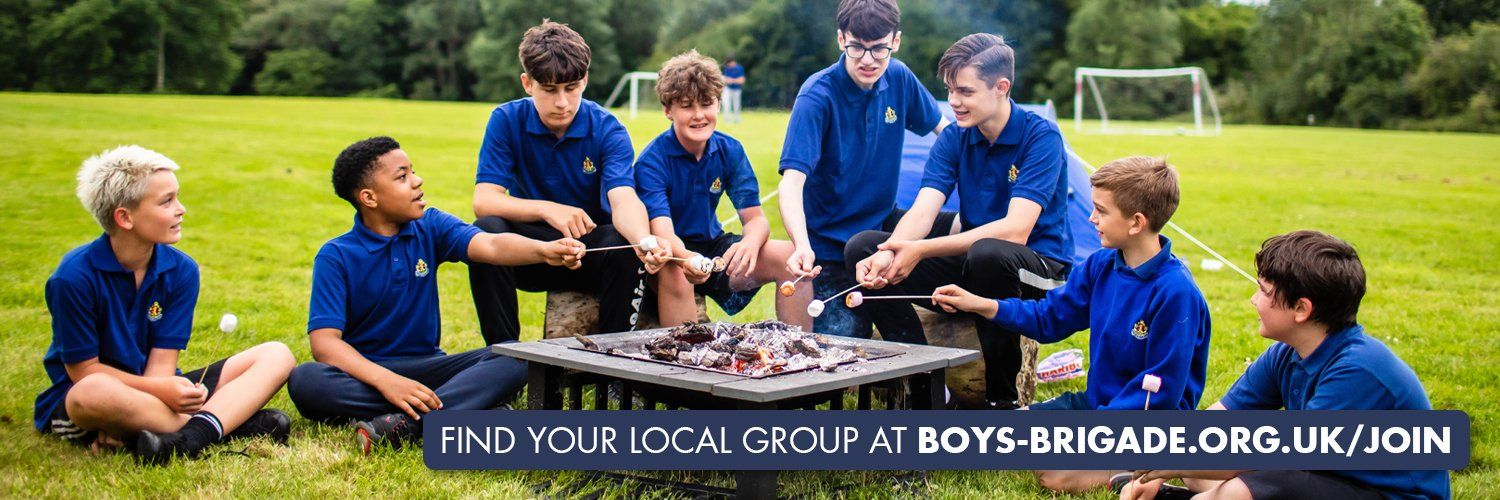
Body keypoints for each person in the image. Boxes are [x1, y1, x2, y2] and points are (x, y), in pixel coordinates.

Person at [287, 137, 584, 453]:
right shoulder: (335, 256)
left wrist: (543, 250)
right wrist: (387, 382)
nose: (417, 181)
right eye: (402, 177)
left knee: (518, 355)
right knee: (306, 380)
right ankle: (461, 408)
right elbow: (325, 344)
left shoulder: (431, 226)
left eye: (412, 172)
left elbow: (491, 245)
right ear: (369, 198)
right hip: (368, 374)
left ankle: (411, 424)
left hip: (431, 368)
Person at [933, 156, 1211, 492]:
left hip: (1149, 424)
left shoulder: (1175, 292)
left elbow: (1162, 394)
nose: (1092, 218)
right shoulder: (1100, 265)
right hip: (1095, 405)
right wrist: (983, 305)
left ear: (1136, 222)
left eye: (1101, 211)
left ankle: (1151, 472)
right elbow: (1049, 318)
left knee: (1054, 474)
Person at [1118, 231, 1449, 500]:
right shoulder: (1288, 352)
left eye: (1263, 290)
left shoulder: (1357, 370)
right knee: (1200, 467)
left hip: (1386, 494)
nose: (1253, 299)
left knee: (1250, 484)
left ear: (1301, 309)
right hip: (1330, 479)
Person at [846, 33, 1073, 409]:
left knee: (989, 255)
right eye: (950, 90)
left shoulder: (1040, 136)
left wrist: (919, 250)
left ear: (1001, 87)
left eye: (965, 92)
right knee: (863, 247)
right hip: (975, 261)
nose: (953, 102)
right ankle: (924, 386)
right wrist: (891, 252)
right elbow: (924, 208)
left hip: (1037, 271)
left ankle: (1002, 402)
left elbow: (1016, 230)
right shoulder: (954, 136)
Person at [37, 145, 295, 465]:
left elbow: (162, 361)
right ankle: (221, 424)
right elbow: (83, 372)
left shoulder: (181, 269)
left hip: (159, 394)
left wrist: (167, 391)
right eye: (167, 201)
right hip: (94, 395)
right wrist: (162, 392)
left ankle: (179, 437)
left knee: (277, 354)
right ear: (124, 217)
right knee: (91, 392)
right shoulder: (73, 277)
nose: (181, 209)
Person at [468, 20, 670, 345]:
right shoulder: (505, 120)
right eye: (549, 90)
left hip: (587, 248)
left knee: (625, 245)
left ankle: (611, 361)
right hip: (531, 251)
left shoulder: (608, 128)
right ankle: (503, 359)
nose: (562, 102)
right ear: (527, 83)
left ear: (585, 80)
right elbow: (485, 199)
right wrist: (549, 210)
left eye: (571, 88)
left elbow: (623, 197)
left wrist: (643, 240)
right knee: (485, 230)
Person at [778, 0, 949, 337]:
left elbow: (947, 133)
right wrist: (801, 244)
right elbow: (791, 183)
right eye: (858, 48)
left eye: (879, 49)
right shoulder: (817, 96)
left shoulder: (899, 77)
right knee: (846, 346)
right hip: (831, 249)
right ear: (841, 39)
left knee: (964, 228)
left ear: (895, 42)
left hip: (884, 226)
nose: (869, 60)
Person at [637, 50, 813, 329]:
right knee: (675, 269)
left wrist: (749, 243)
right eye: (686, 106)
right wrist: (687, 259)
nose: (699, 116)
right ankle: (685, 360)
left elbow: (755, 219)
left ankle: (801, 350)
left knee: (788, 256)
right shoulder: (651, 162)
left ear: (718, 104)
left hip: (713, 247)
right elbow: (663, 232)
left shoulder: (730, 149)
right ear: (667, 110)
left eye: (707, 104)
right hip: (670, 253)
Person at [721, 55, 745, 123]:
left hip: (736, 89)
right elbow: (725, 78)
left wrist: (732, 80)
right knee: (726, 104)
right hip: (728, 88)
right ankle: (726, 118)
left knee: (736, 104)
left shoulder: (739, 69)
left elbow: (742, 80)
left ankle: (737, 118)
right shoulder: (727, 68)